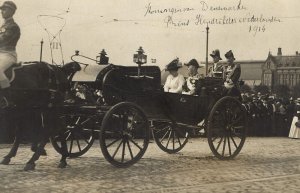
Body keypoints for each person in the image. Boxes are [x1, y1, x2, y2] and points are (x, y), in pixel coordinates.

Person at [0, 1, 20, 105]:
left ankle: (7, 99)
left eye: (5, 9)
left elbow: (3, 40)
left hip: (8, 55)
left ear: (11, 11)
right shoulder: (3, 25)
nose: (2, 11)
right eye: (1, 9)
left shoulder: (13, 26)